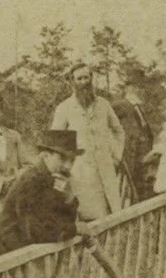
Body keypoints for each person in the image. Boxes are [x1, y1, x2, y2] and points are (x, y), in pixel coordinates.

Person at [0, 130, 88, 265]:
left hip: (16, 260)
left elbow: (60, 219)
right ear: (45, 155)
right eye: (62, 159)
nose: (68, 166)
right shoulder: (31, 181)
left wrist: (69, 199)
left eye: (72, 160)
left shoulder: (54, 180)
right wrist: (75, 229)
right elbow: (37, 232)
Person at [52, 63, 126, 220]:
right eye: (79, 78)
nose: (84, 82)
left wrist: (116, 156)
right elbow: (55, 142)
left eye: (87, 77)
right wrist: (65, 167)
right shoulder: (64, 108)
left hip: (106, 168)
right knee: (91, 216)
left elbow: (118, 131)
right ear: (72, 82)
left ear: (91, 79)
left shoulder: (103, 104)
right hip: (81, 172)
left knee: (113, 213)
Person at [112, 80, 154, 201]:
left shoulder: (139, 108)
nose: (139, 91)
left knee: (142, 187)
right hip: (130, 153)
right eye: (135, 87)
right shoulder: (120, 104)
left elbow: (145, 130)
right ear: (127, 89)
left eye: (140, 88)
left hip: (143, 155)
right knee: (129, 187)